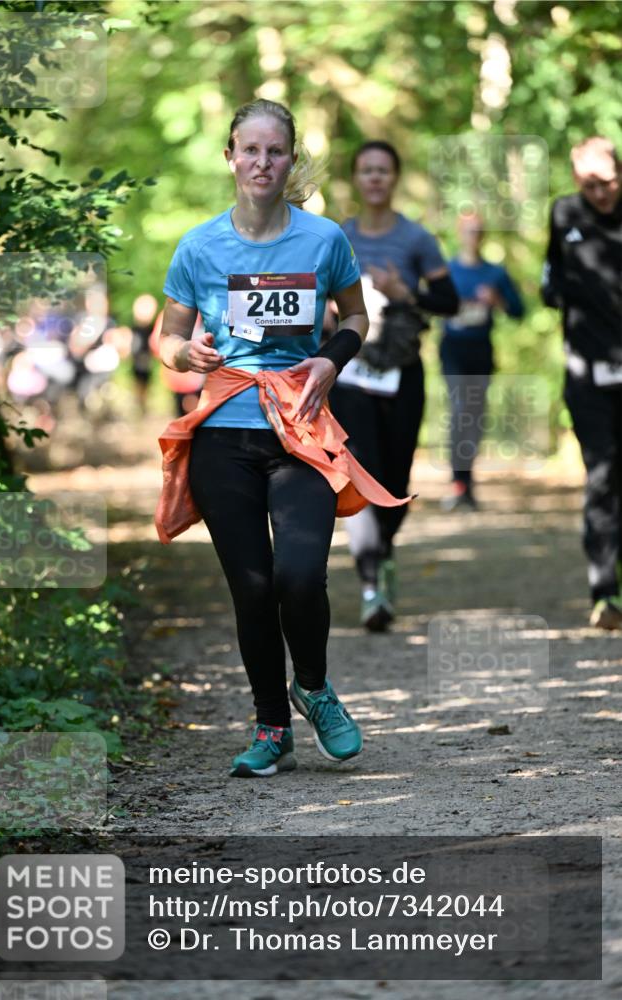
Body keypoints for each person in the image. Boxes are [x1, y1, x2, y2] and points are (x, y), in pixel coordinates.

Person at [156, 101, 412, 778]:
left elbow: (355, 314)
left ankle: (316, 688)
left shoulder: (323, 240)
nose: (262, 164)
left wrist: (331, 359)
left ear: (290, 159)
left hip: (298, 429)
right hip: (224, 432)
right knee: (250, 585)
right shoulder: (199, 246)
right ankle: (271, 725)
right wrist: (186, 356)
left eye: (275, 152)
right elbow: (165, 335)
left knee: (299, 575)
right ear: (229, 157)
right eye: (250, 151)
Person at [329, 140, 459, 632]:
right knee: (360, 473)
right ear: (357, 179)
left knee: (396, 481)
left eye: (383, 170)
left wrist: (407, 293)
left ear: (395, 177)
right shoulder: (338, 236)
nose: (375, 178)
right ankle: (369, 587)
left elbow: (448, 301)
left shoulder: (417, 238)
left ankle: (383, 553)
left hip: (402, 371)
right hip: (351, 372)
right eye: (366, 171)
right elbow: (316, 292)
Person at [542, 136, 622, 631]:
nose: (600, 193)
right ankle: (603, 590)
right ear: (577, 180)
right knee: (602, 474)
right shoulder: (565, 213)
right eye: (590, 184)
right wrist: (552, 291)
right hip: (587, 370)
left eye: (609, 181)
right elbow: (552, 272)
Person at [440, 212, 525, 511]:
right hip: (452, 349)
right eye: (468, 230)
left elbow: (519, 310)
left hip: (481, 350)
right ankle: (457, 482)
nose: (473, 235)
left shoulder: (495, 274)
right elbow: (430, 305)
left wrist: (497, 300)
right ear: (459, 232)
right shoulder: (446, 270)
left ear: (483, 235)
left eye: (478, 230)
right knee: (459, 410)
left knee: (474, 415)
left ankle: (468, 482)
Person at [130, 293, 159, 414]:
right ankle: (140, 405)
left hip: (146, 360)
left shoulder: (151, 328)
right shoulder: (135, 328)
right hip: (138, 360)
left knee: (145, 384)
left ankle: (143, 406)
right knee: (138, 384)